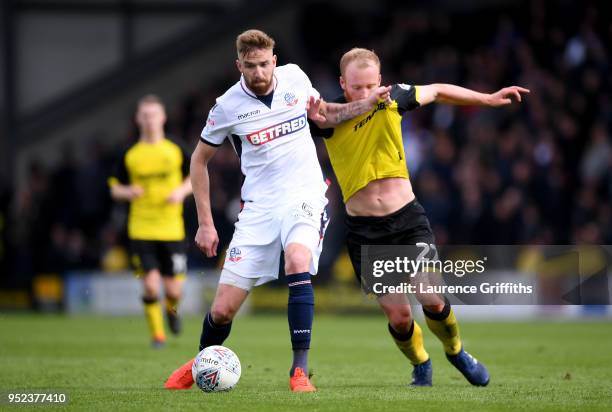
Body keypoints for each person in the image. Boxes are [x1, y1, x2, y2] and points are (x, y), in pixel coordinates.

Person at [164, 30, 391, 392]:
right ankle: (200, 364)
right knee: (222, 310)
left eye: (265, 64)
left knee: (297, 261)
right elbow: (198, 162)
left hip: (305, 195)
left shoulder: (296, 78)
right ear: (239, 65)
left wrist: (365, 105)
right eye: (251, 66)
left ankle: (299, 371)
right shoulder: (227, 106)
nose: (259, 73)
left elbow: (326, 115)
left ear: (274, 59)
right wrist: (205, 223)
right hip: (258, 208)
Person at [309, 48, 530, 386]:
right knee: (399, 317)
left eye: (371, 85)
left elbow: (438, 91)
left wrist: (487, 99)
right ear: (342, 83)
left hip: (407, 220)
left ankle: (456, 351)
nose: (366, 93)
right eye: (356, 87)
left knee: (430, 296)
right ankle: (421, 362)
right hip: (366, 230)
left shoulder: (394, 97)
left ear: (380, 81)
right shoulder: (327, 117)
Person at [108, 95, 193, 348]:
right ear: (138, 119)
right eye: (145, 115)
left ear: (163, 117)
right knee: (150, 285)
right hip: (141, 228)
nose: (149, 120)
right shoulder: (130, 153)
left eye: (153, 114)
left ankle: (172, 311)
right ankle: (157, 335)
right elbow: (113, 187)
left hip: (171, 229)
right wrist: (127, 192)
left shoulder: (176, 148)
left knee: (174, 290)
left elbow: (195, 176)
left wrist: (180, 191)